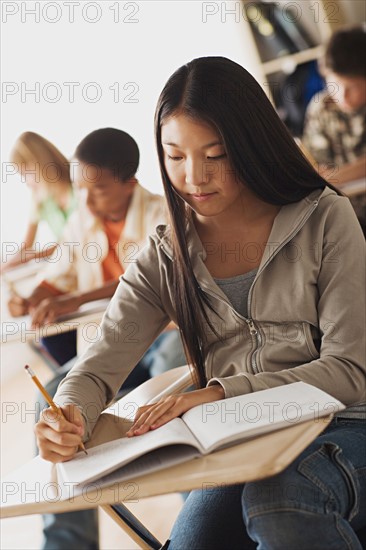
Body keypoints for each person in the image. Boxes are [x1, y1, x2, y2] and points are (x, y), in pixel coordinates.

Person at [34, 58, 365, 549]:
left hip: (344, 425)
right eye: (175, 156)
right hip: (241, 446)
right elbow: (97, 368)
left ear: (252, 144)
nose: (194, 177)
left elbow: (350, 371)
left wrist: (218, 393)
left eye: (215, 155)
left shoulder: (325, 219)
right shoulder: (165, 256)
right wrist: (67, 412)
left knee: (281, 505)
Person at [20, 128, 186, 550]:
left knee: (173, 369)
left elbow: (146, 282)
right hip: (109, 355)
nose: (87, 201)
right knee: (52, 402)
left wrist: (74, 297)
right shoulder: (82, 218)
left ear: (129, 183)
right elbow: (58, 275)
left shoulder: (162, 212)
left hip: (162, 341)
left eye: (97, 191)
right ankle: (66, 544)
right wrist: (37, 296)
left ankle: (199, 507)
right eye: (80, 190)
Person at [302, 25, 366, 233]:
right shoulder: (321, 108)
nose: (343, 96)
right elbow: (316, 170)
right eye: (336, 86)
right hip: (344, 214)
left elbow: (328, 176)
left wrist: (336, 176)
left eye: (353, 87)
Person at [2, 131, 76, 272]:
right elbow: (26, 246)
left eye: (25, 173)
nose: (26, 182)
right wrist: (5, 267)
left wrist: (33, 256)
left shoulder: (80, 186)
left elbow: (75, 241)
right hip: (66, 263)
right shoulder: (40, 198)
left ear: (40, 164)